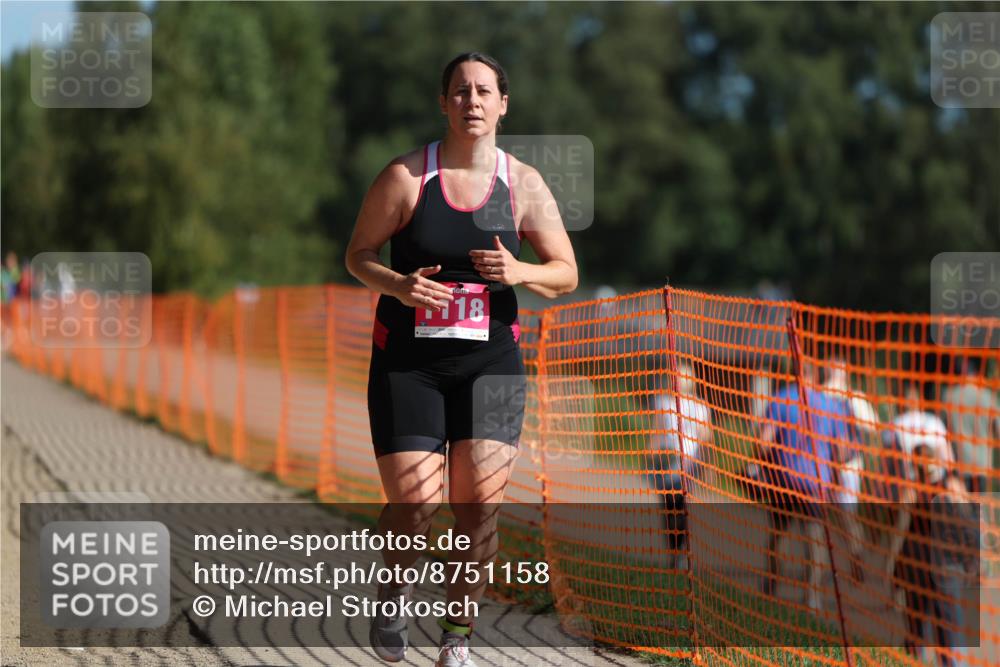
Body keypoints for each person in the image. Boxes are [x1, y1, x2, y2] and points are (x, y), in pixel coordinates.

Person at [345, 52, 578, 667]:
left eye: (483, 91)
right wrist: (399, 286)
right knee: (416, 503)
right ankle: (394, 591)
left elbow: (566, 272)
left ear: (503, 105)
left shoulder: (523, 183)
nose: (471, 101)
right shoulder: (406, 177)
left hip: (490, 366)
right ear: (443, 103)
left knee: (478, 509)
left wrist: (521, 270)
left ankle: (456, 638)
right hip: (409, 366)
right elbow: (358, 255)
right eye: (459, 91)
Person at [753, 361, 862, 612]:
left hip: (783, 481)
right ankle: (812, 596)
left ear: (790, 373)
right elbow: (842, 451)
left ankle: (771, 586)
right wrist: (835, 475)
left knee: (779, 534)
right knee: (815, 539)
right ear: (816, 376)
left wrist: (763, 465)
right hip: (815, 483)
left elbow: (763, 443)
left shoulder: (780, 400)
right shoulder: (831, 406)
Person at [884, 444, 980, 667]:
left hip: (931, 568)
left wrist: (891, 567)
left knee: (933, 630)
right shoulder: (930, 488)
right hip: (927, 567)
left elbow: (968, 527)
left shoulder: (942, 488)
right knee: (931, 631)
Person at [647, 361, 712, 569]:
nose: (679, 381)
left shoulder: (699, 406)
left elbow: (706, 437)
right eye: (676, 377)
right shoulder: (664, 402)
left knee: (683, 507)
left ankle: (681, 550)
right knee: (668, 508)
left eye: (683, 377)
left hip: (689, 465)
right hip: (667, 463)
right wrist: (650, 457)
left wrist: (706, 465)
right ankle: (673, 551)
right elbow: (656, 432)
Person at [942, 357, 1000, 494]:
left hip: (959, 465)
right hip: (982, 465)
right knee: (980, 503)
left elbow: (942, 432)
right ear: (975, 374)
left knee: (964, 505)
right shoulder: (986, 396)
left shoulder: (948, 397)